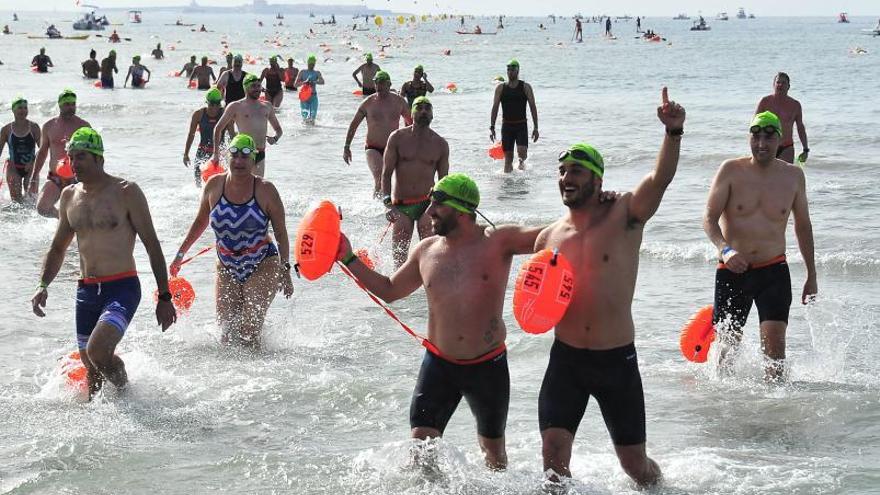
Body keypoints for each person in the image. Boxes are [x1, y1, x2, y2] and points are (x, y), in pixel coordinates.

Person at [335, 173, 543, 470]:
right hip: (439, 364)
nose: (429, 211)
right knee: (421, 450)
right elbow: (390, 290)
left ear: (462, 211)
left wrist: (598, 207)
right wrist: (348, 257)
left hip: (488, 366)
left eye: (437, 205)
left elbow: (555, 235)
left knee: (493, 455)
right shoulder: (426, 250)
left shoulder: (498, 241)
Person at [534, 88, 684, 489]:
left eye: (576, 171)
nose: (566, 178)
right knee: (552, 458)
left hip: (615, 361)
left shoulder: (625, 215)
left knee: (635, 466)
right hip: (565, 361)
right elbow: (534, 296)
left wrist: (673, 133)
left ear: (597, 179)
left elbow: (660, 178)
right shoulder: (549, 236)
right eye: (562, 170)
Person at [31, 127, 177, 399]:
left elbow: (152, 245)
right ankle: (94, 413)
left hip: (122, 287)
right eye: (71, 157)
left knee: (99, 351)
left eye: (81, 157)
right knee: (91, 364)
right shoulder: (69, 196)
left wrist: (165, 296)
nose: (74, 163)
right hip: (86, 291)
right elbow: (57, 248)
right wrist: (43, 284)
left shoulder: (126, 192)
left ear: (99, 158)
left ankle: (127, 396)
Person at [703, 111, 817, 381]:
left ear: (780, 140)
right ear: (749, 138)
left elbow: (803, 226)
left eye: (768, 136)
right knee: (727, 351)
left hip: (773, 271)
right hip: (732, 271)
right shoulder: (730, 170)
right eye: (756, 136)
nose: (761, 143)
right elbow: (708, 219)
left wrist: (811, 275)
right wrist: (725, 250)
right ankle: (723, 407)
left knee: (775, 352)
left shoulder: (793, 177)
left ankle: (773, 411)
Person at [171, 133, 293, 348]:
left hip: (262, 263)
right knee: (226, 335)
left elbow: (281, 232)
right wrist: (180, 254)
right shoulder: (214, 185)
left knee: (249, 332)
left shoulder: (266, 190)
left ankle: (260, 377)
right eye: (234, 155)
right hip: (227, 266)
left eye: (245, 157)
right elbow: (200, 221)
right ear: (227, 157)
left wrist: (285, 268)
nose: (238, 161)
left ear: (254, 160)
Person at [381, 96, 448, 267]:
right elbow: (386, 173)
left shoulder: (440, 144)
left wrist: (443, 208)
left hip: (427, 204)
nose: (424, 111)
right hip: (401, 205)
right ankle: (402, 293)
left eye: (428, 108)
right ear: (411, 113)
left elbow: (444, 182)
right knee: (399, 261)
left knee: (431, 260)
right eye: (419, 107)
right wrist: (388, 203)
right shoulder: (396, 138)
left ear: (432, 115)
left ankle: (428, 292)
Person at [343, 70, 413, 197]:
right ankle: (377, 208)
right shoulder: (368, 103)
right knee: (380, 177)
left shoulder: (399, 101)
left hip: (392, 148)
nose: (378, 86)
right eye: (376, 83)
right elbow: (353, 125)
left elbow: (412, 123)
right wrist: (347, 147)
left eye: (381, 83)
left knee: (394, 180)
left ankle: (387, 207)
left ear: (389, 84)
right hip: (373, 148)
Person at [31, 89, 91, 218]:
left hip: (77, 178)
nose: (71, 107)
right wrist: (34, 176)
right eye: (67, 104)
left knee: (82, 214)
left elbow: (92, 154)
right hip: (56, 177)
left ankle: (74, 231)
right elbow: (42, 153)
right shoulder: (49, 126)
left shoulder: (84, 127)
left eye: (73, 104)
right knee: (42, 208)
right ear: (60, 105)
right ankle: (63, 220)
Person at [212, 74, 282, 177]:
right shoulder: (235, 106)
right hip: (241, 153)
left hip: (260, 152)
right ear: (246, 87)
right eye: (254, 86)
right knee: (238, 186)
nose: (257, 89)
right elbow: (218, 128)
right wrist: (216, 154)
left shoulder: (267, 106)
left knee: (256, 186)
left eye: (259, 86)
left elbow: (278, 130)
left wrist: (275, 138)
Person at [489, 59, 539, 172]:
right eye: (508, 70)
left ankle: (521, 171)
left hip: (521, 125)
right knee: (508, 159)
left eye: (512, 70)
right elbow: (495, 107)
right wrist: (492, 127)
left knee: (522, 154)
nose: (510, 72)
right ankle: (508, 186)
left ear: (518, 71)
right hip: (507, 126)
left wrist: (536, 128)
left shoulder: (525, 87)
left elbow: (532, 107)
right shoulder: (500, 88)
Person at [183, 88, 234, 186]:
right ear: (207, 102)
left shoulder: (225, 115)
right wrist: (186, 154)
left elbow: (232, 136)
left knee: (222, 183)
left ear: (220, 103)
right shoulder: (198, 114)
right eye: (211, 104)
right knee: (198, 182)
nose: (214, 107)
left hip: (220, 153)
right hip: (203, 151)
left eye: (217, 104)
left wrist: (234, 155)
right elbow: (191, 135)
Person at [755, 72, 809, 164]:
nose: (780, 85)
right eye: (778, 82)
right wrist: (756, 144)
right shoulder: (765, 102)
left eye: (783, 83)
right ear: (773, 85)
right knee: (764, 176)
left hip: (786, 147)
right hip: (767, 146)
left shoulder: (795, 105)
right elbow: (755, 124)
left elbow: (800, 127)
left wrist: (805, 149)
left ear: (788, 86)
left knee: (785, 176)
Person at [0, 97, 41, 203]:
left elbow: (43, 150)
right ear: (13, 110)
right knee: (17, 204)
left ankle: (33, 220)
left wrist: (32, 162)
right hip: (13, 168)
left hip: (31, 168)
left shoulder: (34, 127)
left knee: (32, 201)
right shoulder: (6, 130)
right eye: (20, 108)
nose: (23, 111)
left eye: (25, 108)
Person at [293, 54, 325, 124]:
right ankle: (305, 132)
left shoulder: (317, 73)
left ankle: (312, 133)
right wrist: (304, 82)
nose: (311, 65)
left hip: (313, 96)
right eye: (310, 63)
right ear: (307, 63)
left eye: (313, 64)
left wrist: (314, 82)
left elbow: (322, 82)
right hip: (304, 97)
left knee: (312, 118)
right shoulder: (302, 72)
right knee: (305, 119)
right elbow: (295, 85)